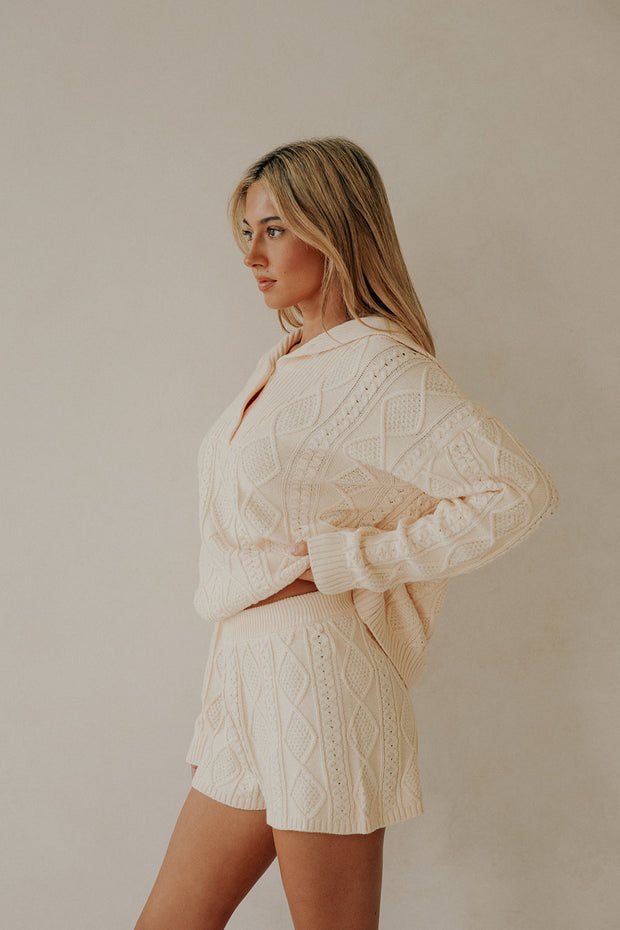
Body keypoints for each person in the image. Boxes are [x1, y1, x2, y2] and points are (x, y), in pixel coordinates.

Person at [134, 137, 559, 930]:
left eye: (275, 229)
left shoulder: (381, 368)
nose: (253, 255)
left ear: (334, 230)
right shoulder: (286, 361)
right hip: (248, 679)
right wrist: (223, 708)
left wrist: (355, 559)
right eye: (248, 232)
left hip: (317, 680)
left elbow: (518, 492)